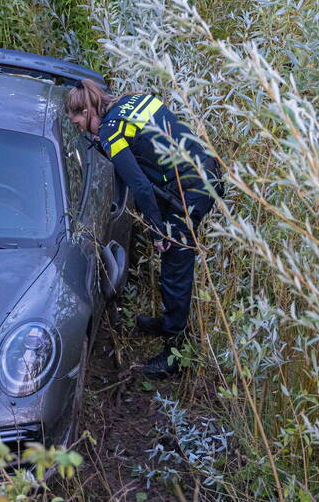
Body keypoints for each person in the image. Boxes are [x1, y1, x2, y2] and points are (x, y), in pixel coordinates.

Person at [65, 79, 222, 379]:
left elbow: (138, 185)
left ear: (86, 110)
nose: (79, 127)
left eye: (77, 121)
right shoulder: (133, 101)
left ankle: (176, 356)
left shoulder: (112, 131)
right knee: (174, 264)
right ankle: (167, 325)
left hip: (190, 192)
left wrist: (157, 230)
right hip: (204, 171)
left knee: (176, 267)